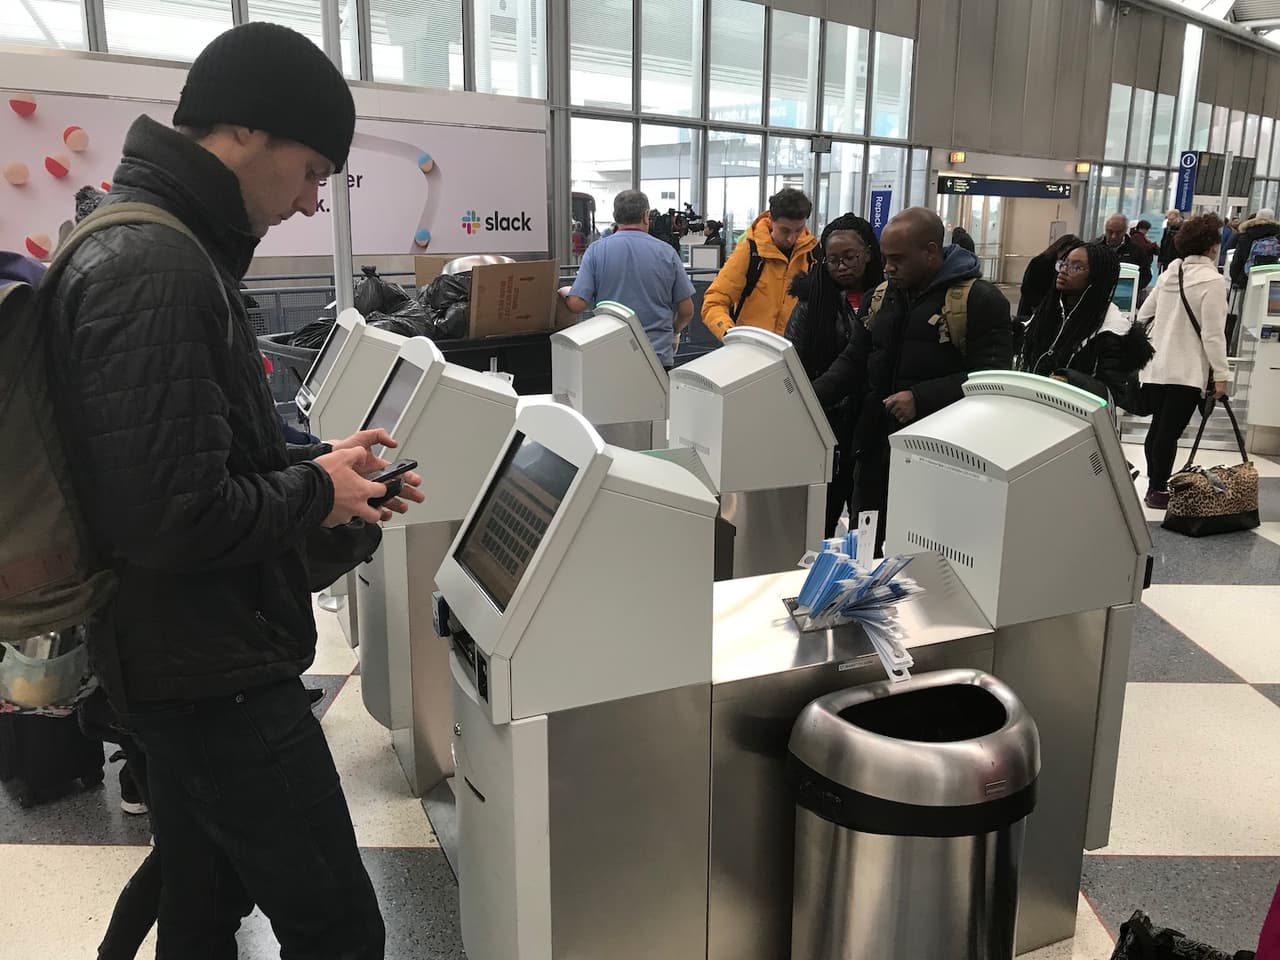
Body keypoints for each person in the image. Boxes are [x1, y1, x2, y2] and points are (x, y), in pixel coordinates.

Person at [45, 23, 426, 958]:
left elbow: (178, 458)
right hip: (209, 674)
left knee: (199, 894)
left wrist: (315, 466)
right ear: (249, 132)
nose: (307, 204)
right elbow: (174, 518)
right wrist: (314, 495)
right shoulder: (158, 267)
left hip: (174, 656)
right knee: (338, 927)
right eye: (309, 172)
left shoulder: (149, 241)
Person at [811, 208, 1013, 554]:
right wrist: (807, 398)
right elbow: (853, 361)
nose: (888, 267)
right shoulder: (883, 296)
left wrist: (922, 397)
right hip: (875, 448)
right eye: (886, 259)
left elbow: (993, 380)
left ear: (931, 252)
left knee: (924, 552)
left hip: (940, 456)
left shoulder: (977, 300)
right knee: (864, 547)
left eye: (897, 259)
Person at [784, 214, 885, 536]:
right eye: (832, 260)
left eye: (849, 257)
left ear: (868, 253)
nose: (841, 266)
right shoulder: (811, 304)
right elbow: (794, 362)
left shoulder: (891, 299)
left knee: (868, 524)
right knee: (818, 520)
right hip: (826, 420)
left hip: (873, 422)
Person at [1137, 213, 1231, 510]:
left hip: (1156, 366)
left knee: (1157, 430)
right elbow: (1213, 336)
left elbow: (1143, 315)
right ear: (1212, 246)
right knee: (1169, 433)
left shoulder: (1169, 274)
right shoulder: (1213, 281)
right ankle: (1157, 488)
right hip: (1186, 369)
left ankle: (1154, 484)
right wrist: (1221, 375)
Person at [565, 190, 695, 369]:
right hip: (657, 357)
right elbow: (687, 310)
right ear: (645, 215)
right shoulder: (667, 253)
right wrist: (675, 331)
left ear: (615, 216)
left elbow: (576, 304)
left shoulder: (596, 251)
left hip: (610, 355)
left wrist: (564, 294)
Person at [1017, 240, 1153, 403]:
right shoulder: (1049, 312)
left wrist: (1070, 380)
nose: (1065, 271)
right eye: (1064, 264)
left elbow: (1112, 393)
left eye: (1077, 267)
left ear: (1096, 277)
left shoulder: (1112, 330)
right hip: (1036, 407)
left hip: (1077, 417)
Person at [701, 187, 816, 339]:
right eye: (785, 231)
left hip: (795, 355)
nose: (791, 238)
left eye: (798, 230)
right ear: (771, 220)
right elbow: (713, 302)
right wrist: (730, 334)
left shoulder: (814, 254)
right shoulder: (750, 251)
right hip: (749, 352)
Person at [1018, 233, 1082, 317]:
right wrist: (1043, 306)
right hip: (1033, 308)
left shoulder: (1065, 265)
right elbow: (1027, 289)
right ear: (1060, 249)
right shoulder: (1040, 262)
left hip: (1052, 309)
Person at [1228, 207, 1280, 289]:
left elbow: (1236, 264)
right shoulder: (1277, 236)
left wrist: (1237, 281)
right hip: (1273, 284)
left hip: (1247, 280)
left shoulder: (1246, 235)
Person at [1100, 213, 1152, 291]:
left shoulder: (1136, 250)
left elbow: (1146, 274)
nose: (1113, 236)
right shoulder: (1095, 247)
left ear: (1125, 231)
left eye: (1118, 232)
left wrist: (1133, 289)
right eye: (1110, 231)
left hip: (1126, 295)